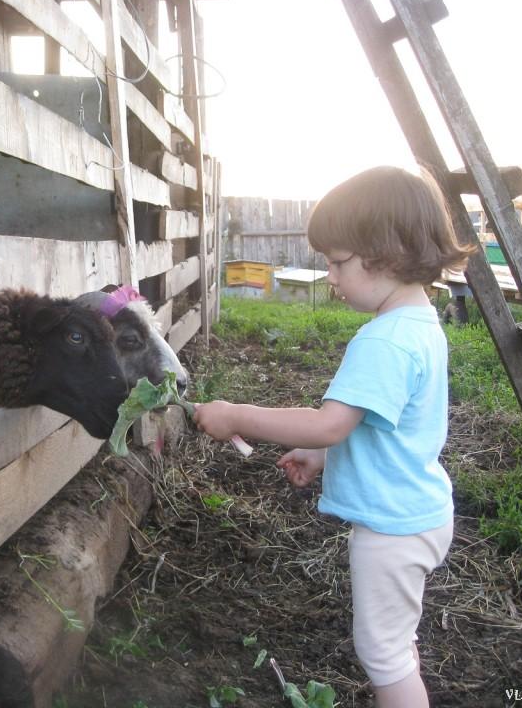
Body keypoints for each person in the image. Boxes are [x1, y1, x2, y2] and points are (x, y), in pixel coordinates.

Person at [194, 166, 475, 708]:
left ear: (387, 252)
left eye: (338, 262)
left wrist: (235, 414)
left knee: (384, 655)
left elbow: (330, 420)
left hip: (391, 530)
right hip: (421, 512)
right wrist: (324, 456)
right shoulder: (422, 324)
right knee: (397, 642)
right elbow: (379, 424)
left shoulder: (385, 341)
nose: (330, 276)